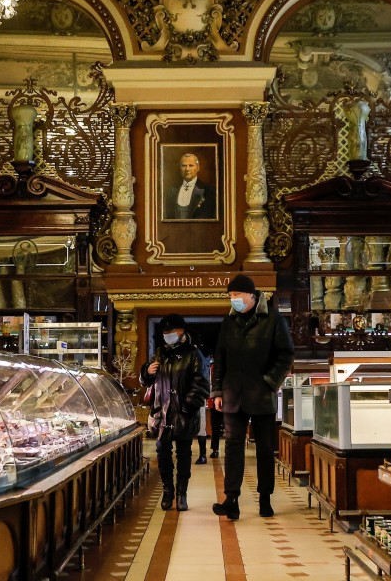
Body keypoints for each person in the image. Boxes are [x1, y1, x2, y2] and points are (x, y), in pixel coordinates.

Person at [210, 274, 296, 520]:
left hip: (261, 394)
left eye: (236, 295)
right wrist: (217, 391)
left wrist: (270, 381)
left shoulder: (273, 320)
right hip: (232, 394)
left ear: (251, 295)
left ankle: (265, 499)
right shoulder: (229, 322)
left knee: (265, 450)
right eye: (230, 296)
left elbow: (286, 354)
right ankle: (231, 500)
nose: (233, 300)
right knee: (233, 447)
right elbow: (220, 358)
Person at [140, 314, 210, 511]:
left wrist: (187, 407)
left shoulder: (194, 354)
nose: (167, 336)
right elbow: (146, 381)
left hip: (183, 413)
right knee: (162, 452)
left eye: (170, 332)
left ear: (181, 332)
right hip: (162, 413)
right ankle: (167, 491)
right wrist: (147, 372)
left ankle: (181, 494)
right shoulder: (160, 353)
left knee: (184, 454)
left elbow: (201, 385)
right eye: (164, 333)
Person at [165, 153, 216, 219]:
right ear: (180, 168)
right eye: (184, 166)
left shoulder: (209, 191)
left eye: (191, 165)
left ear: (198, 168)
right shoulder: (171, 191)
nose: (187, 169)